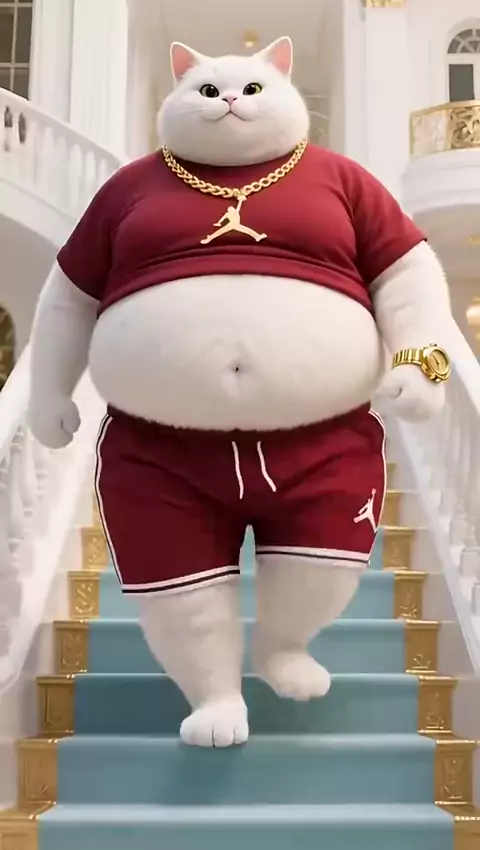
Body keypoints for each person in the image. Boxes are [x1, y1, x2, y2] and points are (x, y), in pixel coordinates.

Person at [27, 37, 452, 748]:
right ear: (177, 92)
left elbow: (406, 274)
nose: (229, 100)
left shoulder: (342, 178)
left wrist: (420, 359)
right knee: (176, 585)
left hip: (322, 439)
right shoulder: (129, 188)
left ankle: (284, 645)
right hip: (158, 449)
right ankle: (212, 692)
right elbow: (69, 296)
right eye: (208, 89)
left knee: (322, 566)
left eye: (251, 88)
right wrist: (48, 389)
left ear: (284, 86)